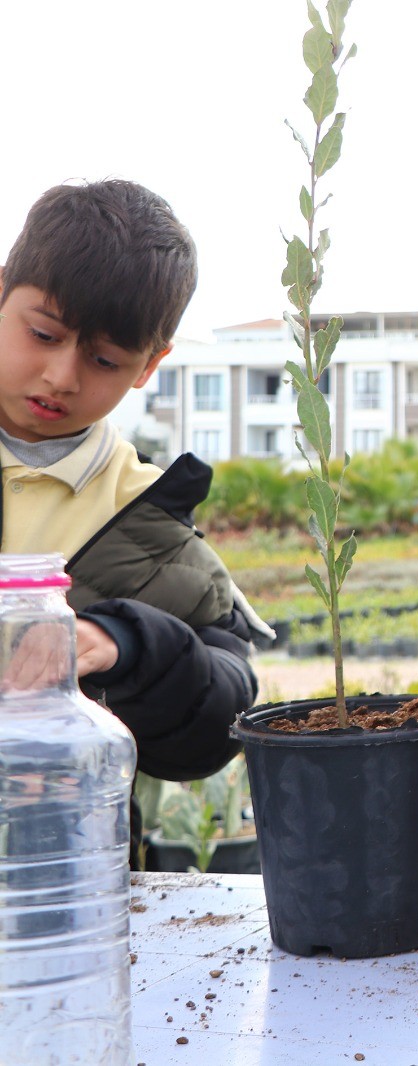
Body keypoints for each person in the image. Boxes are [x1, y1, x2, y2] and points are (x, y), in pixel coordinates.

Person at [0, 180, 268, 866]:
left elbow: (222, 713)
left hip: (55, 894)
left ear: (151, 365)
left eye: (103, 360)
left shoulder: (146, 526)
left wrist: (125, 643)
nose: (61, 376)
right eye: (42, 335)